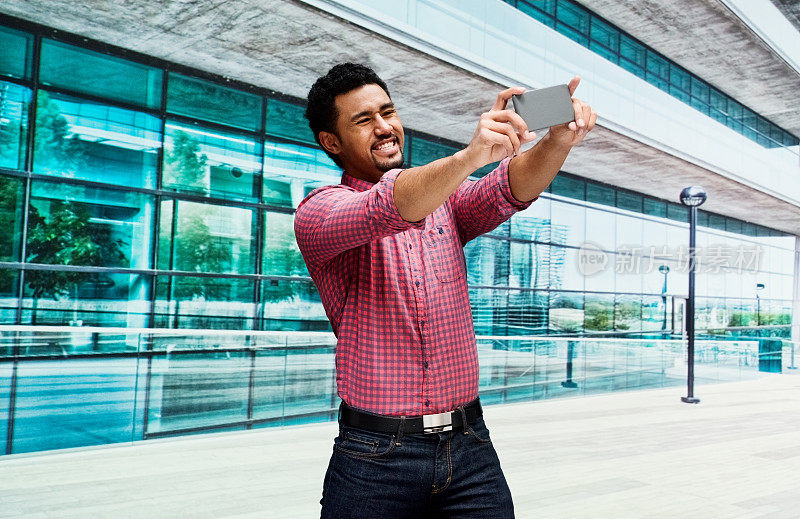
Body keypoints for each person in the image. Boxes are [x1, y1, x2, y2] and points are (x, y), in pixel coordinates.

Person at [295, 62, 596, 518]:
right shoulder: (320, 212)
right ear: (331, 142)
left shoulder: (446, 203)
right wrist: (471, 155)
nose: (384, 127)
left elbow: (509, 186)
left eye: (388, 112)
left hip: (470, 447)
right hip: (374, 459)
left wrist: (559, 140)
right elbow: (389, 205)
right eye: (364, 120)